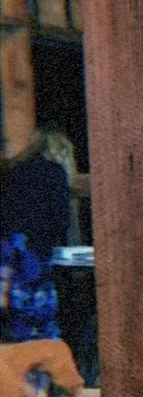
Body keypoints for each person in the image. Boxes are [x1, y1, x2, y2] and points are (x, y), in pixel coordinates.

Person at [0, 130, 73, 343]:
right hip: (33, 252)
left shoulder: (11, 171)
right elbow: (61, 220)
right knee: (37, 313)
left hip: (6, 249)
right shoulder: (53, 172)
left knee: (10, 309)